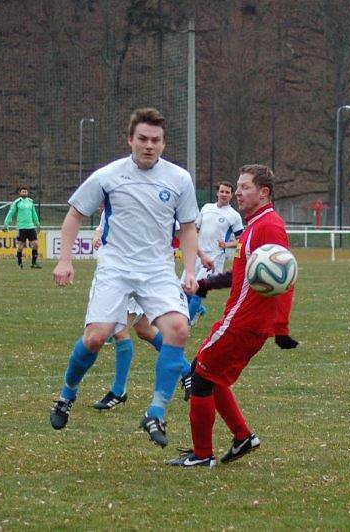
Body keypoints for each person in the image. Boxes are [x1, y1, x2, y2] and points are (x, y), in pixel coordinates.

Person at [49, 108, 199, 449]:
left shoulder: (179, 180)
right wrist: (64, 260)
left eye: (156, 140)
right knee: (96, 338)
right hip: (115, 267)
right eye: (143, 139)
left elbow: (189, 227)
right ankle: (66, 395)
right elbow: (74, 214)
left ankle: (155, 412)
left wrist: (189, 270)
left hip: (158, 270)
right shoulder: (109, 175)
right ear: (130, 140)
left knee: (178, 329)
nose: (149, 146)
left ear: (164, 143)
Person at [168, 164, 295, 468]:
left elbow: (285, 275)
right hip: (240, 318)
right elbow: (242, 274)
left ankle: (202, 455)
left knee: (200, 377)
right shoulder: (254, 225)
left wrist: (281, 327)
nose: (237, 192)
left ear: (263, 193)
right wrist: (206, 284)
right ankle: (242, 437)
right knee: (210, 371)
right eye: (237, 186)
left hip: (245, 321)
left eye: (244, 187)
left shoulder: (269, 227)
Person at [88, 220, 190, 410]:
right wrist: (97, 236)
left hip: (137, 274)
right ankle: (188, 371)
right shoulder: (115, 196)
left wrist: (196, 256)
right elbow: (102, 227)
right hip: (116, 274)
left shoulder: (154, 197)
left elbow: (182, 231)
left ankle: (118, 391)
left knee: (120, 332)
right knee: (145, 330)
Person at [184, 181, 244, 325]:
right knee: (186, 288)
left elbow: (241, 239)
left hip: (214, 257)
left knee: (198, 289)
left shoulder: (234, 215)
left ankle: (186, 323)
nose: (224, 194)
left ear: (231, 195)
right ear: (217, 193)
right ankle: (198, 310)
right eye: (222, 191)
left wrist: (227, 244)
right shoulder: (206, 208)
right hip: (198, 254)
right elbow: (195, 229)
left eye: (227, 192)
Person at [2, 185, 42, 269]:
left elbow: (34, 214)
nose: (24, 193)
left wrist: (37, 224)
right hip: (21, 228)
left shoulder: (30, 202)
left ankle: (33, 263)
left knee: (35, 244)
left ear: (27, 193)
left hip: (31, 227)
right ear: (20, 193)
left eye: (25, 191)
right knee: (20, 246)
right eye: (23, 191)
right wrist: (6, 224)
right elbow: (10, 213)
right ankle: (20, 264)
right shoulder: (17, 202)